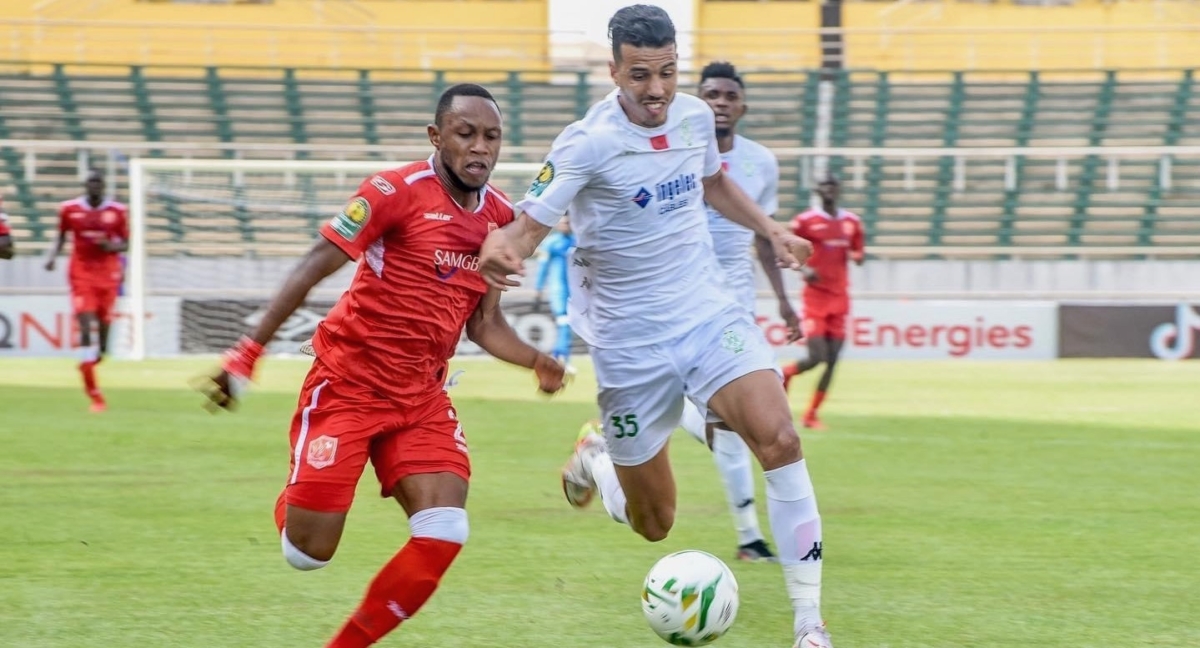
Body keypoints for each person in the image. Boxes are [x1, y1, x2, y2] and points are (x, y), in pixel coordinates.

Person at [478, 6, 832, 648]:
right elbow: (527, 228)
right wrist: (505, 248)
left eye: (667, 72)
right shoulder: (586, 142)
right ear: (614, 71)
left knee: (780, 440)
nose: (657, 89)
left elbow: (713, 184)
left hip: (706, 312)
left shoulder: (694, 117)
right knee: (654, 523)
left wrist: (772, 228)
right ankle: (598, 461)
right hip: (629, 341)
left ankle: (809, 624)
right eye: (641, 74)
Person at [195, 83, 567, 648]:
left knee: (446, 527)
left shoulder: (500, 218)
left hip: (421, 398)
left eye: (491, 137)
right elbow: (314, 265)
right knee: (306, 554)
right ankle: (303, 484)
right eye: (465, 133)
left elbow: (484, 323)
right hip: (347, 385)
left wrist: (536, 361)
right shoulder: (393, 191)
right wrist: (247, 353)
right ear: (436, 137)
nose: (480, 148)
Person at [669, 60, 803, 563]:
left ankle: (749, 538)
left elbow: (764, 237)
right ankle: (627, 426)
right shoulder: (678, 152)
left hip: (735, 303)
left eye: (729, 95)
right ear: (698, 102)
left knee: (730, 423)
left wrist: (785, 301)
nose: (720, 103)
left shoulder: (761, 163)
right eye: (711, 95)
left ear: (742, 105)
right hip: (681, 298)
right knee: (730, 421)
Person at [782, 175, 865, 430]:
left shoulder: (852, 222)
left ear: (838, 190)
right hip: (815, 298)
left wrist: (858, 256)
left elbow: (858, 252)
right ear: (818, 191)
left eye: (833, 186)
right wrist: (805, 270)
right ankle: (786, 373)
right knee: (816, 357)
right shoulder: (805, 221)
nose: (828, 190)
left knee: (832, 360)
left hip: (840, 298)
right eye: (824, 186)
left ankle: (811, 415)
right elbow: (785, 247)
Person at [44, 171, 128, 412]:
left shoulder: (118, 211)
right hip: (81, 272)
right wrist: (52, 257)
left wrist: (110, 246)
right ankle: (94, 392)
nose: (94, 187)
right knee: (84, 321)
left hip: (108, 274)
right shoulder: (69, 209)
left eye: (98, 183)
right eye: (91, 183)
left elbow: (126, 243)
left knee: (103, 330)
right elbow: (61, 236)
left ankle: (94, 356)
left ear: (103, 186)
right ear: (85, 185)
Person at [533, 216, 575, 364]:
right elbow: (543, 267)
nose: (565, 225)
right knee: (563, 320)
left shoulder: (578, 241)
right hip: (558, 290)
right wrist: (538, 288)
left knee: (568, 322)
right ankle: (561, 355)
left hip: (576, 290)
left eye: (567, 222)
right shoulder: (550, 243)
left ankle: (561, 355)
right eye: (562, 222)